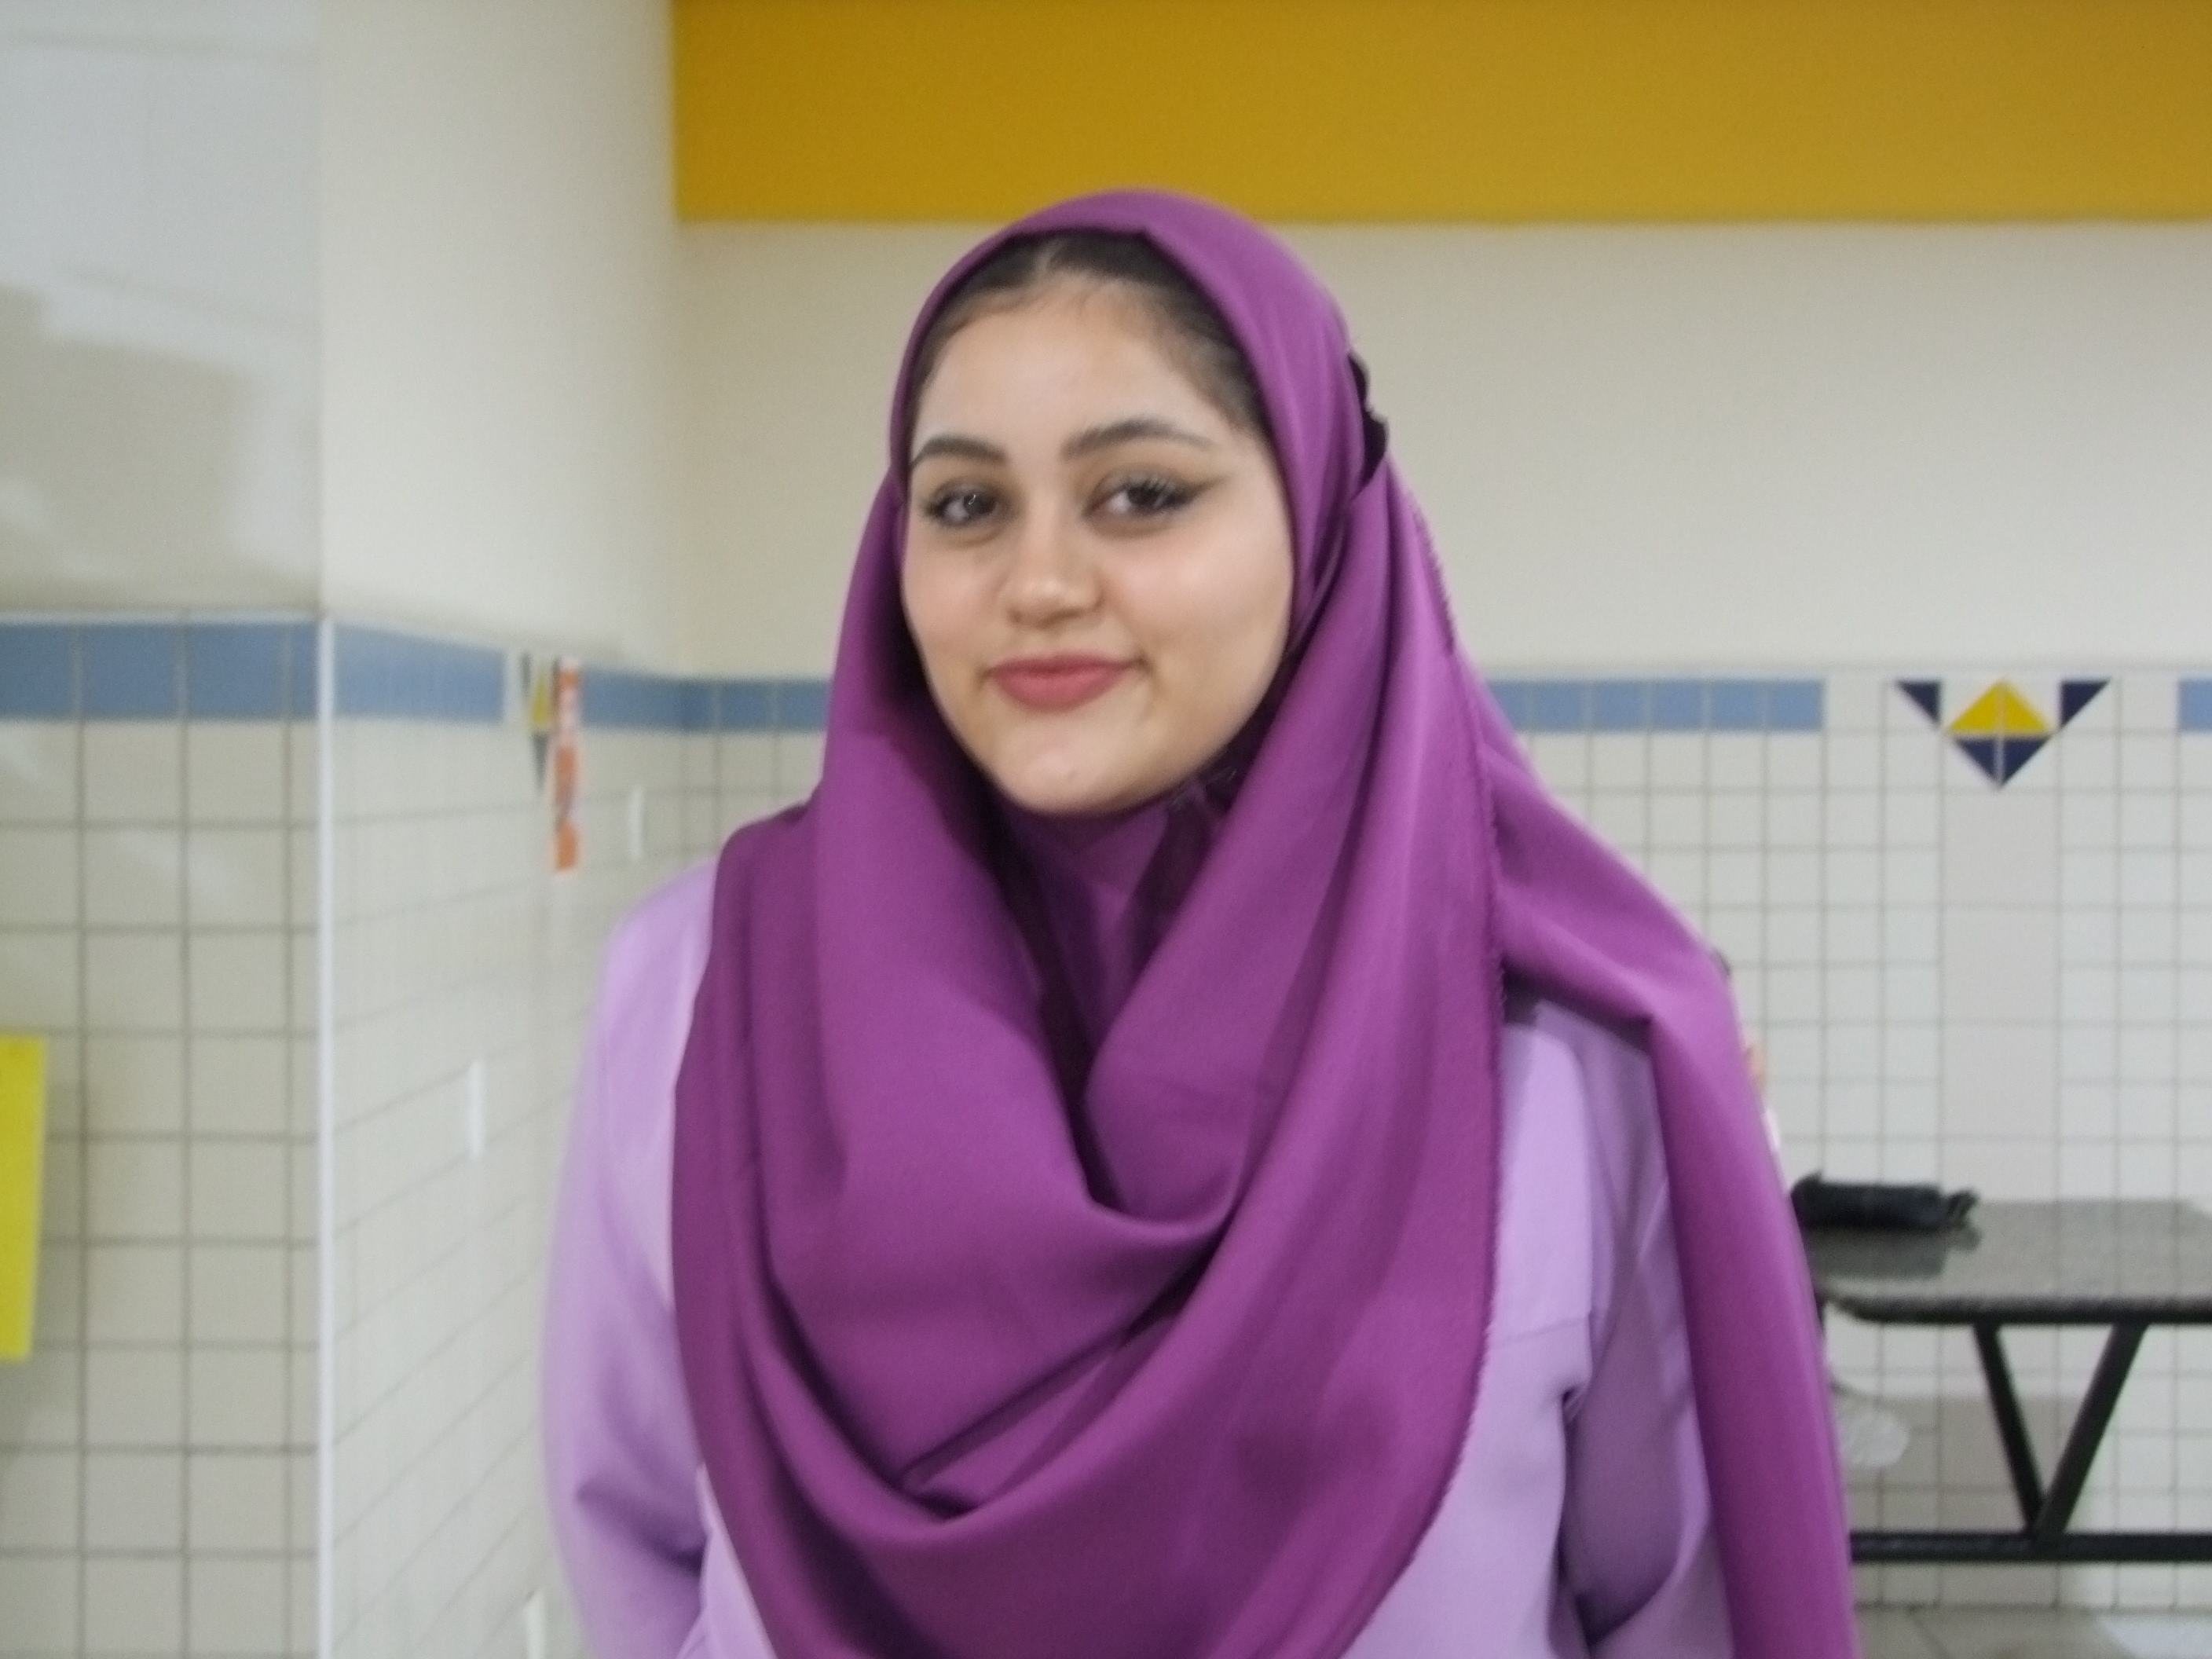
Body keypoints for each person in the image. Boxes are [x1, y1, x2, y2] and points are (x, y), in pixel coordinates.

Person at [543, 192, 1858, 1659]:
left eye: (1141, 494)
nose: (1040, 583)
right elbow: (638, 1540)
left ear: (1320, 521)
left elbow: (1677, 1609)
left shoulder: (1563, 1041)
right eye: (966, 505)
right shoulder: (704, 988)